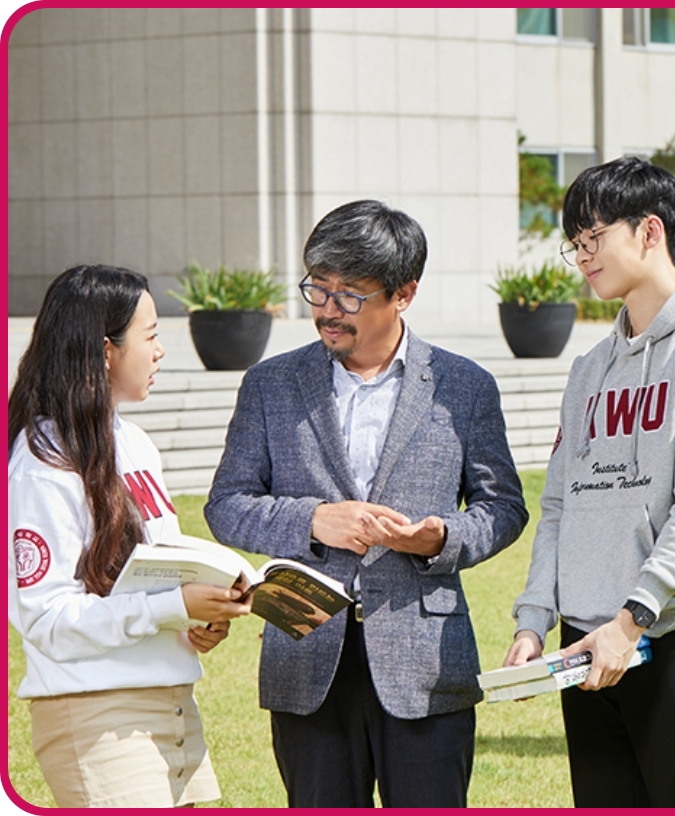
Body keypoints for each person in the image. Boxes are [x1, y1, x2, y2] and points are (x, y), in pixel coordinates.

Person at [204, 200, 529, 806]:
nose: (328, 310)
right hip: (305, 658)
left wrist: (441, 539)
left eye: (349, 294)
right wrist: (312, 520)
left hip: (425, 666)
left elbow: (504, 508)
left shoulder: (465, 387)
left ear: (403, 294)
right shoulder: (269, 384)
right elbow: (226, 504)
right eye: (318, 289)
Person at [505, 157, 675, 807]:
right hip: (585, 650)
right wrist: (534, 622)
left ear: (650, 231)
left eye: (593, 237)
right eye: (575, 243)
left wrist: (632, 621)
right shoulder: (589, 369)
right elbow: (559, 505)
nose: (581, 256)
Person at [7, 264, 250, 808]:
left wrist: (195, 617)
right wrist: (170, 607)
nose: (161, 351)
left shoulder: (134, 443)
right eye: (151, 335)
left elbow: (153, 572)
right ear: (105, 351)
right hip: (98, 717)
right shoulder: (43, 463)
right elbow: (47, 620)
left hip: (173, 706)